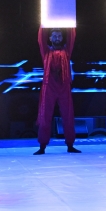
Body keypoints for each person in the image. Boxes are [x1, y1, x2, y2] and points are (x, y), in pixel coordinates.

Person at [35, 27, 80, 155]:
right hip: (49, 87)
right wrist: (43, 24)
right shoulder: (46, 52)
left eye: (59, 36)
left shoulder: (66, 51)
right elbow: (41, 38)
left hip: (64, 87)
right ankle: (42, 146)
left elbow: (72, 37)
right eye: (54, 36)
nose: (57, 38)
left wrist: (71, 24)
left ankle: (70, 145)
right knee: (45, 116)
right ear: (50, 38)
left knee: (68, 116)